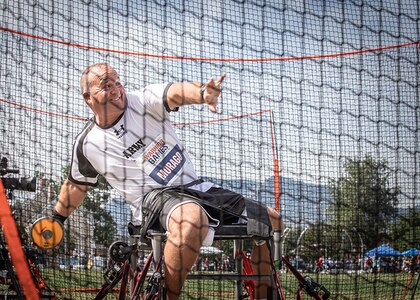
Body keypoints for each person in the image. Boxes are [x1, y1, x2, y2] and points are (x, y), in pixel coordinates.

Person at [52, 63, 283, 300]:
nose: (116, 89)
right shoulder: (88, 143)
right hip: (152, 200)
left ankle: (262, 295)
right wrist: (56, 220)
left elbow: (174, 92)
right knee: (191, 220)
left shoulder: (141, 101)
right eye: (106, 85)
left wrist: (202, 93)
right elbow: (76, 185)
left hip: (196, 188)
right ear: (88, 97)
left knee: (270, 220)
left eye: (118, 81)